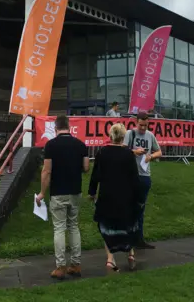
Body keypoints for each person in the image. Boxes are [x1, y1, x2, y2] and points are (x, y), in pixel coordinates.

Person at [35, 115, 89, 279]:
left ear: (56, 128)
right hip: (75, 191)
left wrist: (42, 192)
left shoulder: (51, 145)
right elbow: (86, 167)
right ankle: (76, 264)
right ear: (68, 126)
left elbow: (46, 171)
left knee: (59, 228)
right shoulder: (80, 144)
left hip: (58, 192)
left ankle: (60, 267)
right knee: (73, 226)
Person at [88, 123, 142, 272]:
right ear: (123, 137)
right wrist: (139, 198)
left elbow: (95, 176)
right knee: (129, 225)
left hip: (107, 196)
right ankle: (130, 254)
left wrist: (92, 192)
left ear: (110, 135)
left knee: (107, 226)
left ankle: (110, 259)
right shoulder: (128, 155)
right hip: (126, 197)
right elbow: (135, 178)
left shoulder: (102, 152)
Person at [123, 111, 162, 249]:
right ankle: (128, 238)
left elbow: (159, 152)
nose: (143, 128)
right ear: (136, 122)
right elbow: (122, 151)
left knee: (140, 208)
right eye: (141, 125)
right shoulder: (130, 134)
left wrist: (151, 156)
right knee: (130, 207)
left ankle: (139, 239)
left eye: (146, 125)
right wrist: (134, 152)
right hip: (131, 175)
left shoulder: (150, 135)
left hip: (145, 175)